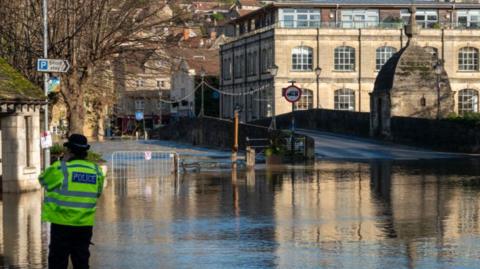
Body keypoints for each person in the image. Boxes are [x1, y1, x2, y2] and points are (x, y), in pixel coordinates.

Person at [39, 134, 105, 269]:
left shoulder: (62, 169)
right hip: (84, 225)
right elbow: (97, 194)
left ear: (69, 151)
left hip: (62, 224)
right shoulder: (96, 171)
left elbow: (43, 180)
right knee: (81, 262)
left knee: (58, 262)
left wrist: (63, 161)